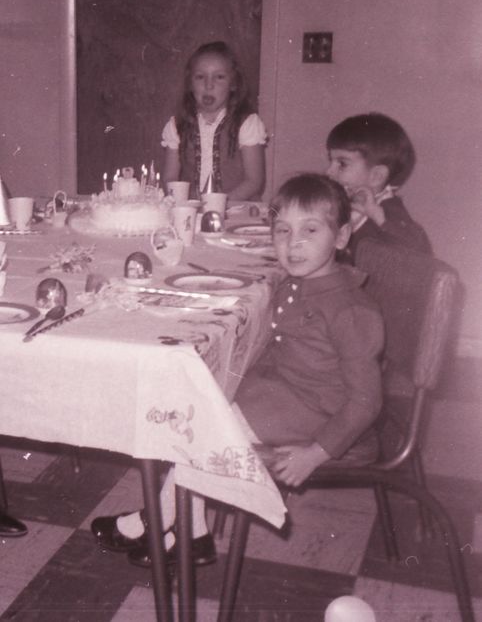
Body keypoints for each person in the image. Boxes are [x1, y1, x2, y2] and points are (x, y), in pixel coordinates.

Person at [91, 173, 384, 567]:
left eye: (310, 230)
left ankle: (164, 521)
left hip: (318, 414)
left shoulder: (350, 310)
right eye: (282, 230)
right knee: (198, 410)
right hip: (281, 396)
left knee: (202, 427)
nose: (292, 243)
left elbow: (366, 402)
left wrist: (316, 454)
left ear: (343, 236)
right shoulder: (300, 282)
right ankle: (189, 530)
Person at [161, 41, 266, 200]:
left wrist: (218, 205)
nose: (208, 85)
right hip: (193, 211)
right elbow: (169, 178)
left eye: (219, 77)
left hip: (236, 210)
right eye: (200, 77)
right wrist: (187, 203)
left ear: (233, 84)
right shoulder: (177, 125)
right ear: (190, 84)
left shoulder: (247, 123)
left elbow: (254, 181)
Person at [325, 112, 431, 262]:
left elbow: (419, 252)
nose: (328, 171)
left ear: (377, 176)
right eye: (331, 161)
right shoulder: (343, 205)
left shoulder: (390, 211)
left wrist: (377, 215)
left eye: (342, 164)